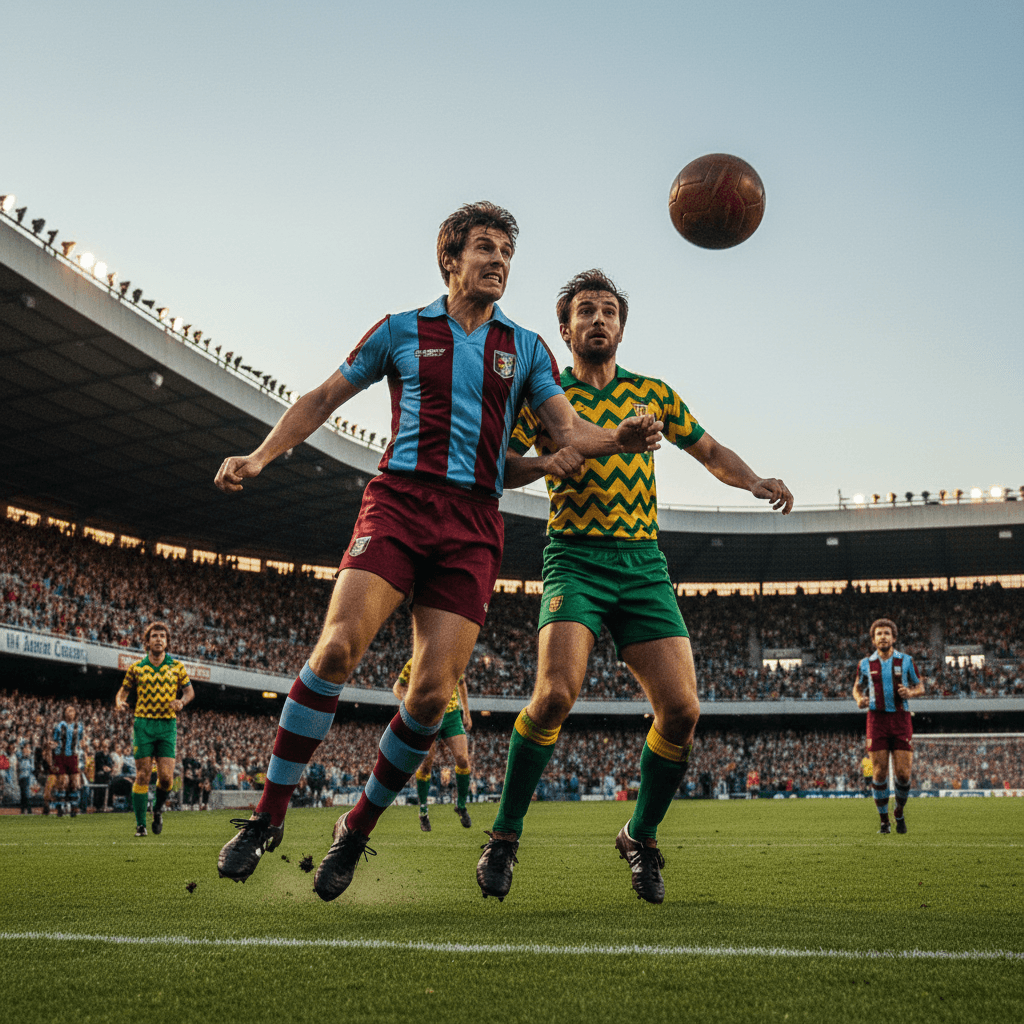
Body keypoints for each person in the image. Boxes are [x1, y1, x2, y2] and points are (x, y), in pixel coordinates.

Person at [213, 203, 662, 899]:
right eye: (484, 247)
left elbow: (567, 427)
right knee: (336, 649)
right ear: (449, 259)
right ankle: (268, 812)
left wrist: (621, 438)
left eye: (507, 251)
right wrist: (262, 454)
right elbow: (325, 395)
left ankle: (355, 830)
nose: (499, 261)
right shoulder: (401, 330)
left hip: (476, 523)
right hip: (399, 502)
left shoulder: (529, 348)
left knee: (427, 696)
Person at [476, 269, 793, 904]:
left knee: (682, 711)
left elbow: (708, 451)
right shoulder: (544, 396)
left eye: (609, 311)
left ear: (621, 327)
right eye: (585, 311)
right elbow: (499, 468)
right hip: (575, 560)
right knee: (555, 696)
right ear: (564, 329)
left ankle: (639, 836)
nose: (598, 320)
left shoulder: (652, 395)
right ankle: (505, 835)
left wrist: (754, 481)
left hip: (643, 564)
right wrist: (544, 461)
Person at [115, 621, 194, 836]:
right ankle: (141, 825)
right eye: (155, 636)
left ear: (167, 642)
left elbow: (189, 692)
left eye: (162, 636)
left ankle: (157, 810)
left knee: (167, 777)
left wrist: (181, 702)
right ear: (147, 641)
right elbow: (123, 691)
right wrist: (119, 702)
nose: (159, 639)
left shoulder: (176, 666)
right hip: (143, 724)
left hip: (167, 725)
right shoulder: (136, 668)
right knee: (142, 775)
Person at [852, 618, 925, 834]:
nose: (883, 636)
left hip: (901, 719)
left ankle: (899, 811)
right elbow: (857, 688)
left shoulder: (906, 661)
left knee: (903, 774)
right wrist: (858, 699)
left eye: (886, 633)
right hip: (876, 720)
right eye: (879, 634)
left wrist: (910, 692)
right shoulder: (865, 664)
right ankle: (884, 822)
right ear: (873, 639)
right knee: (879, 772)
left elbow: (920, 686)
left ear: (893, 637)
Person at [391, 658, 474, 832]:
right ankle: (423, 811)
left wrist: (466, 711)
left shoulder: (452, 657)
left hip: (451, 715)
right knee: (426, 765)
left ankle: (461, 805)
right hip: (428, 717)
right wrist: (406, 698)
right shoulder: (414, 662)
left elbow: (462, 683)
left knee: (463, 759)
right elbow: (398, 687)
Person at [52, 705, 84, 818]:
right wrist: (51, 746)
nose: (70, 713)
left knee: (75, 782)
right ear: (64, 713)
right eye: (68, 710)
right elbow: (54, 741)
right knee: (63, 782)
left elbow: (81, 741)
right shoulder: (59, 726)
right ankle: (60, 807)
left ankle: (74, 808)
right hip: (60, 756)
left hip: (73, 756)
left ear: (75, 713)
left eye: (73, 711)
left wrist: (84, 753)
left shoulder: (79, 726)